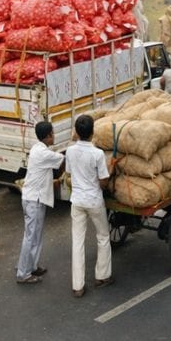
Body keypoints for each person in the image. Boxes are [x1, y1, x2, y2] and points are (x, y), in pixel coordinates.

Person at [66, 114, 112, 298]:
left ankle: (78, 286)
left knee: (77, 241)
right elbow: (103, 182)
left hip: (77, 201)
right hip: (94, 200)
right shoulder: (97, 154)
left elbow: (69, 173)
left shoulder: (69, 151)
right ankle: (103, 276)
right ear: (93, 132)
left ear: (76, 132)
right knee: (102, 236)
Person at [16, 121, 65, 285]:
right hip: (33, 200)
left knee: (35, 235)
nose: (54, 136)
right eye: (53, 133)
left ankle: (32, 266)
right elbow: (63, 159)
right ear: (48, 136)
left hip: (33, 197)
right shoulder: (44, 154)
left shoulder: (37, 148)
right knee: (30, 236)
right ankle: (23, 273)